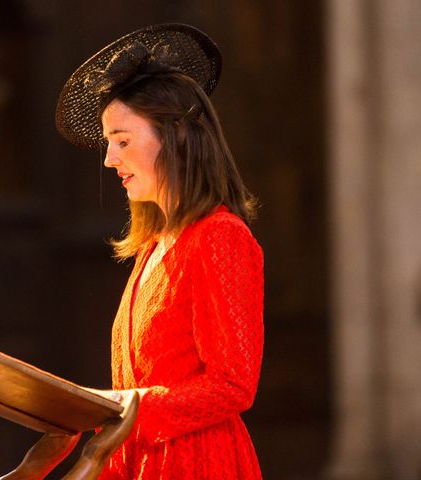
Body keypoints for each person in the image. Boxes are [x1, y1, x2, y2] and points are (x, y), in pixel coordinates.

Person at [55, 24, 264, 479]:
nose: (109, 159)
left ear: (177, 136)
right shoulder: (153, 247)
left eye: (123, 140)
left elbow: (234, 385)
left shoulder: (220, 236)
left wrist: (119, 406)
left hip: (197, 465)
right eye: (110, 142)